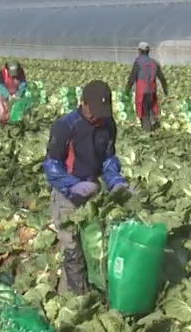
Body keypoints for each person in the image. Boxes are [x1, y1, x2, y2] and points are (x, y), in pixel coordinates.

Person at [43, 80, 131, 295]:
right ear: (82, 103)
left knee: (93, 249)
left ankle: (74, 294)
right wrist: (73, 185)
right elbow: (52, 165)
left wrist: (115, 181)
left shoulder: (107, 125)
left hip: (94, 196)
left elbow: (108, 159)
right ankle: (76, 299)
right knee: (72, 250)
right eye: (94, 110)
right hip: (68, 197)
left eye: (102, 111)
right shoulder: (66, 126)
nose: (97, 116)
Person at [125, 41, 171, 131]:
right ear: (148, 51)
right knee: (152, 109)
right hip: (152, 90)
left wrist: (127, 90)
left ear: (139, 51)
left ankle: (147, 132)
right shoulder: (154, 63)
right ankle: (155, 127)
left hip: (142, 91)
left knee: (144, 112)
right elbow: (162, 77)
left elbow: (132, 77)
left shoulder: (138, 62)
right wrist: (165, 90)